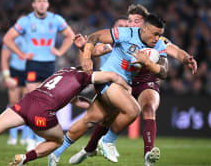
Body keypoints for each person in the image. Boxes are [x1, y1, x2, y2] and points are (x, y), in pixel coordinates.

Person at [68, 4, 197, 166]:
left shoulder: (158, 39)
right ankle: (89, 149)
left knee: (149, 107)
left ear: (145, 24)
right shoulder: (126, 36)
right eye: (129, 21)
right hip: (124, 80)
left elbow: (176, 51)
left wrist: (186, 59)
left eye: (136, 21)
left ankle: (148, 155)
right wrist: (84, 49)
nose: (131, 24)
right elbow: (99, 49)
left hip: (145, 81)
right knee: (107, 116)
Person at [0, 66, 131, 166]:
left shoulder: (63, 73)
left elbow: (72, 97)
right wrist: (126, 87)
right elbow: (111, 76)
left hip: (28, 101)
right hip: (42, 111)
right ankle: (24, 159)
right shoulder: (83, 76)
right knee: (57, 140)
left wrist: (87, 104)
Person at [48, 13, 168, 166]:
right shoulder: (126, 33)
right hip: (106, 79)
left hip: (121, 85)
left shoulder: (159, 46)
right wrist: (86, 57)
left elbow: (163, 72)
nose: (157, 38)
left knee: (89, 120)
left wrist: (149, 64)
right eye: (155, 34)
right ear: (144, 28)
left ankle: (55, 153)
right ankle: (107, 141)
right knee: (133, 110)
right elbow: (94, 37)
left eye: (160, 34)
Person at [3, 0, 75, 149]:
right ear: (33, 5)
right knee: (33, 102)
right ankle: (30, 139)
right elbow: (7, 38)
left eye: (44, 1)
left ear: (48, 4)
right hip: (33, 64)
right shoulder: (26, 21)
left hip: (50, 64)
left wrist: (61, 51)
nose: (42, 4)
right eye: (39, 1)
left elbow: (71, 35)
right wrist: (21, 54)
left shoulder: (55, 19)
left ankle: (40, 137)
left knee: (48, 104)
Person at [1, 35, 33, 146]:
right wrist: (6, 77)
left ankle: (26, 137)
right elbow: (4, 58)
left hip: (29, 70)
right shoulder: (12, 38)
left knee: (27, 105)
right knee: (13, 103)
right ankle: (13, 136)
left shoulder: (33, 37)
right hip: (15, 71)